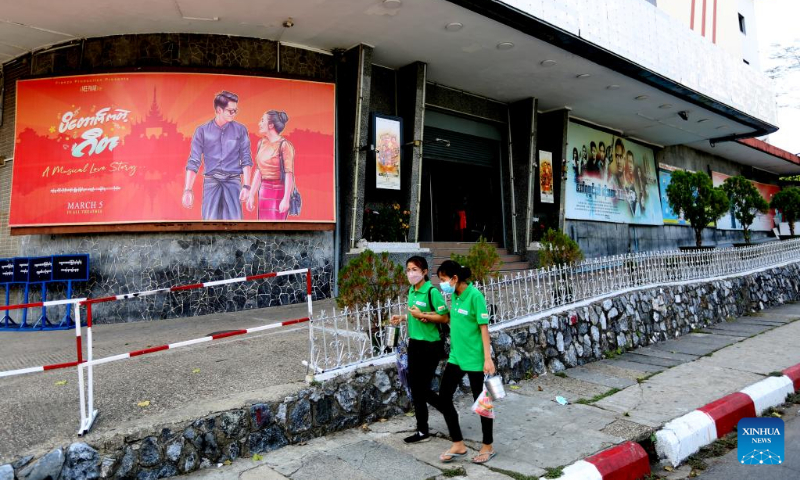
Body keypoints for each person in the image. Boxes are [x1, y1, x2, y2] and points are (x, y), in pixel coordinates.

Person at [430, 260, 496, 465]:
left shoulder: (475, 296)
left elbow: (484, 329)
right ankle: (458, 443)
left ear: (455, 278)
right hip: (456, 357)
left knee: (482, 403)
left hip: (476, 359)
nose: (442, 284)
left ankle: (488, 446)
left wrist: (487, 358)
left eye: (443, 280)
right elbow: (452, 320)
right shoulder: (455, 297)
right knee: (444, 397)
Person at [390, 256, 449, 444]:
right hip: (414, 344)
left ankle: (447, 410)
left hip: (430, 346)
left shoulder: (432, 292)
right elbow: (413, 313)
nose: (411, 273)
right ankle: (422, 430)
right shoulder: (411, 291)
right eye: (408, 269)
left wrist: (424, 315)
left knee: (422, 389)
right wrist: (402, 317)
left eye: (415, 269)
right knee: (416, 390)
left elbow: (445, 317)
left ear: (424, 272)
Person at [183, 91, 253, 220]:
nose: (234, 114)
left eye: (235, 111)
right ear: (219, 110)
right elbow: (194, 161)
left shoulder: (240, 130)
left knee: (235, 223)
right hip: (211, 182)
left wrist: (247, 186)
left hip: (233, 182)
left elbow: (246, 159)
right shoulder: (202, 131)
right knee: (209, 223)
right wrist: (188, 190)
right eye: (230, 111)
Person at [247, 110, 296, 220]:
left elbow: (289, 174)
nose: (259, 123)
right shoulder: (261, 143)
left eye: (262, 120)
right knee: (263, 223)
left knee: (276, 224)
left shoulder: (285, 145)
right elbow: (259, 171)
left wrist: (286, 199)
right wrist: (251, 195)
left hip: (279, 191)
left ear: (271, 125)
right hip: (264, 190)